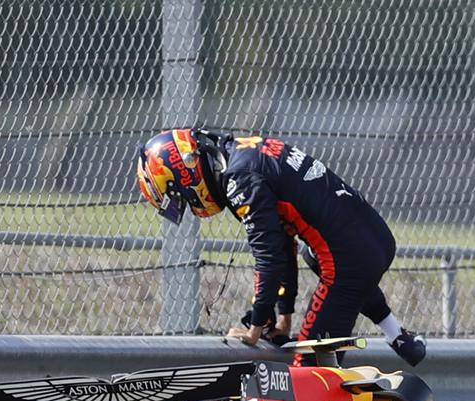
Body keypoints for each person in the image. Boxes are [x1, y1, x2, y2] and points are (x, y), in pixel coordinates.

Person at [135, 128, 427, 367]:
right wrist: (283, 318)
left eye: (178, 196)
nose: (186, 204)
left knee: (309, 374)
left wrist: (256, 325)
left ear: (185, 175)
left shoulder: (240, 179)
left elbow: (269, 257)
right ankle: (397, 335)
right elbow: (284, 243)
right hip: (373, 239)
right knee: (310, 254)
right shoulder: (242, 153)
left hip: (349, 261)